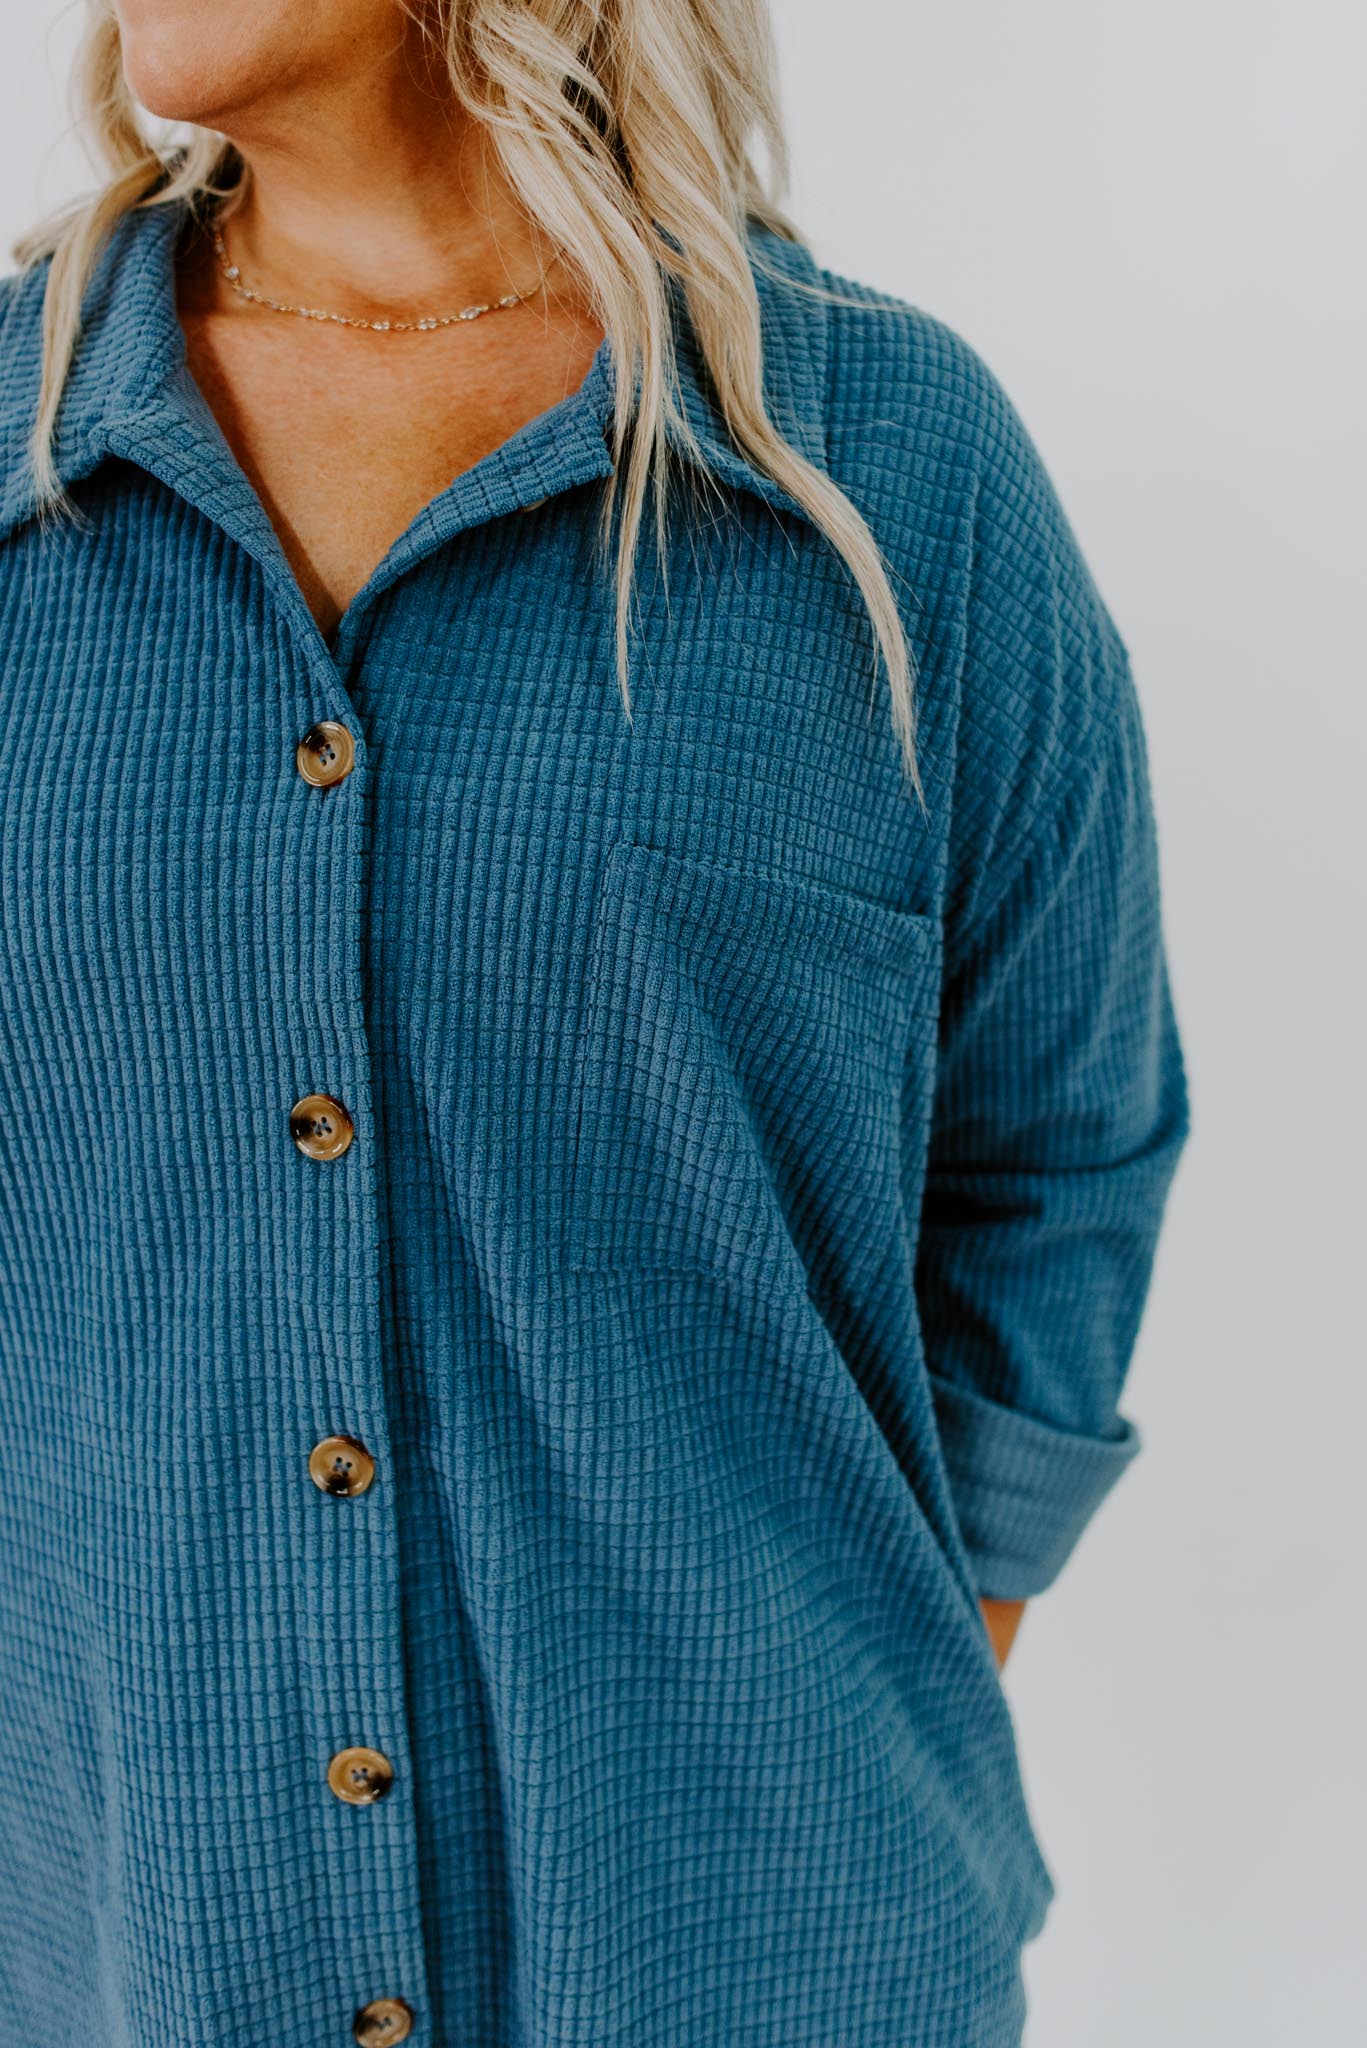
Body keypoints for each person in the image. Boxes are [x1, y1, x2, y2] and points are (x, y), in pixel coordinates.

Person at [0, 3, 1192, 2044]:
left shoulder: (888, 467)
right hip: (132, 1950)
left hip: (766, 1958)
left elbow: (1059, 1152)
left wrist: (844, 1704)